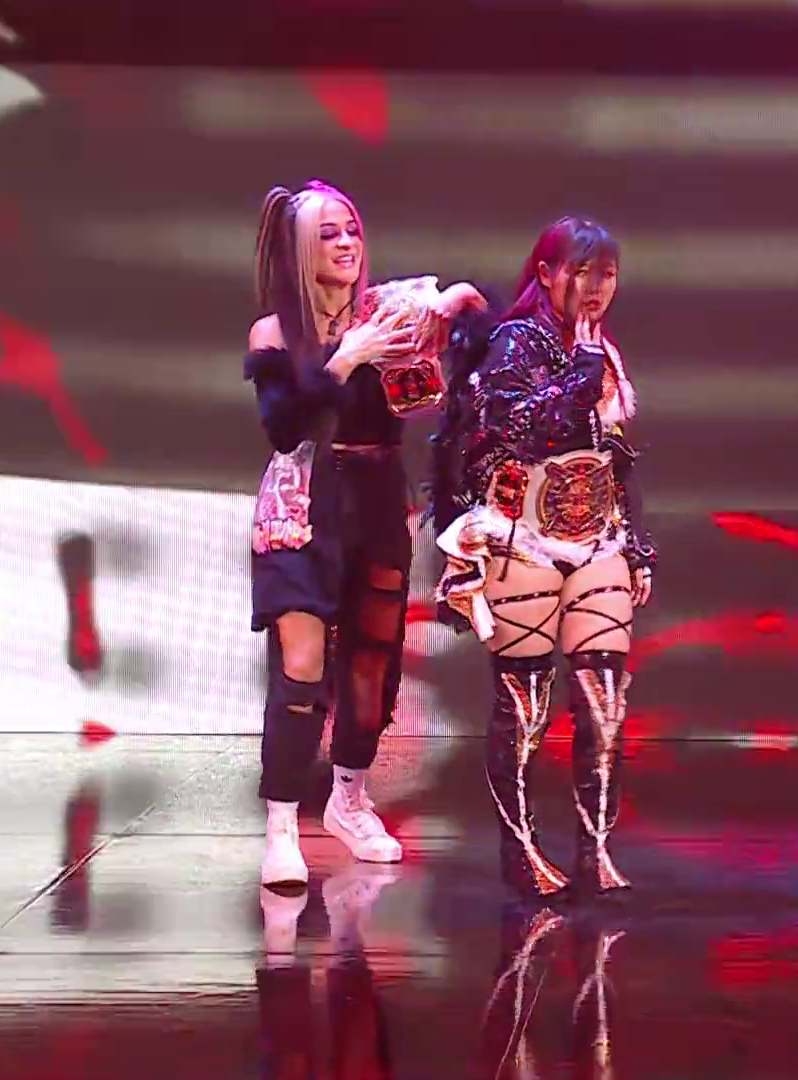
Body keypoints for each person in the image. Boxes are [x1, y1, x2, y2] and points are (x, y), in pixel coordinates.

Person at [245, 180, 485, 887]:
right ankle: (282, 825)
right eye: (329, 234)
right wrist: (346, 357)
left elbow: (434, 374)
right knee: (301, 665)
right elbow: (285, 427)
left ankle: (349, 799)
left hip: (377, 499)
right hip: (304, 501)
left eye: (352, 230)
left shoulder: (389, 309)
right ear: (300, 250)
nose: (347, 244)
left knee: (373, 663)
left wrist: (454, 312)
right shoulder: (275, 333)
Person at [428, 215, 656, 903]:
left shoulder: (602, 351)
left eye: (607, 274)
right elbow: (527, 429)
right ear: (548, 274)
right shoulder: (513, 343)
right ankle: (520, 849)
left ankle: (595, 848)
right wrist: (583, 370)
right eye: (582, 272)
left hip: (598, 535)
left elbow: (617, 456)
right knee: (525, 707)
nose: (596, 288)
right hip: (521, 534)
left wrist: (637, 546)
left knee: (605, 702)